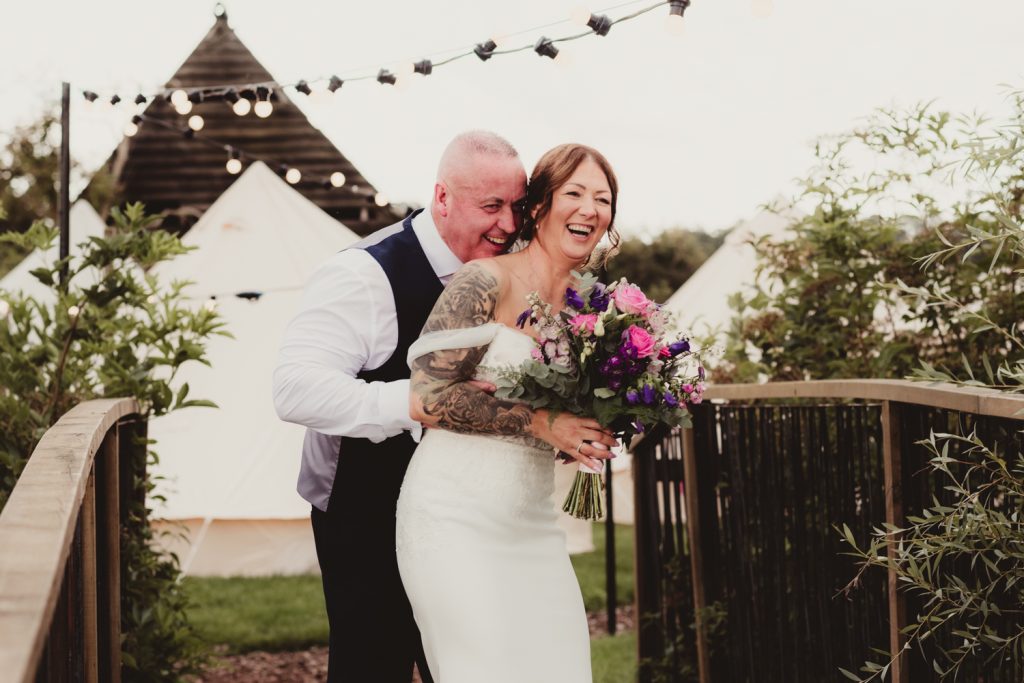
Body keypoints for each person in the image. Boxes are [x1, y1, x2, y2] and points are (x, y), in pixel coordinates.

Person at [272, 130, 529, 683]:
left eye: (517, 206)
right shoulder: (361, 275)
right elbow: (295, 388)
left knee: (463, 664)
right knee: (375, 662)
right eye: (491, 206)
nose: (509, 225)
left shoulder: (515, 275)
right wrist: (417, 402)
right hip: (365, 511)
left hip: (467, 511)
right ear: (442, 198)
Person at [397, 143, 620, 682]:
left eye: (603, 198)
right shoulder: (485, 281)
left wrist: (608, 416)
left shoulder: (594, 309)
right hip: (454, 521)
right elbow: (425, 396)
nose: (590, 208)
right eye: (575, 193)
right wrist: (544, 423)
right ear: (539, 206)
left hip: (536, 526)